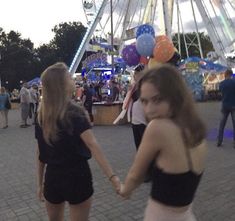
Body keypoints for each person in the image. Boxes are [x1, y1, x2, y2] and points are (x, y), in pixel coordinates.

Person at [119, 64, 207, 221]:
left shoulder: (158, 127)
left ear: (174, 96)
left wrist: (125, 189)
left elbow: (135, 175)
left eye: (157, 99)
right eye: (144, 102)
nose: (149, 109)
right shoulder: (195, 128)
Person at [35, 62, 120, 221]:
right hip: (77, 176)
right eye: (70, 78)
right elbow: (93, 145)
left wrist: (40, 184)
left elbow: (40, 153)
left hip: (53, 177)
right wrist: (113, 177)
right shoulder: (76, 112)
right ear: (62, 85)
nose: (73, 81)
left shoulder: (42, 115)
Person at [217, 69, 235, 148]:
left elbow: (220, 93)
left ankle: (219, 141)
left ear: (226, 74)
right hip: (234, 106)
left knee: (222, 124)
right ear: (231, 74)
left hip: (225, 106)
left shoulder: (221, 84)